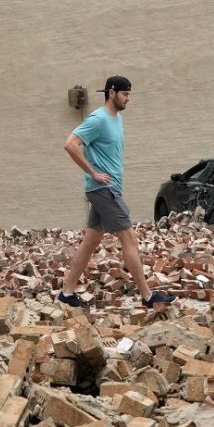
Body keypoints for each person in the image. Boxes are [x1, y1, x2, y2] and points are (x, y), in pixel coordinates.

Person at [57, 75, 174, 309]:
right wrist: (93, 172)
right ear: (112, 92)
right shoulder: (98, 119)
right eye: (125, 94)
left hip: (110, 188)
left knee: (90, 241)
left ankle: (66, 293)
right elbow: (70, 144)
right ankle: (148, 297)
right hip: (103, 189)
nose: (128, 99)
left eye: (128, 94)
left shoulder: (116, 118)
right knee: (128, 238)